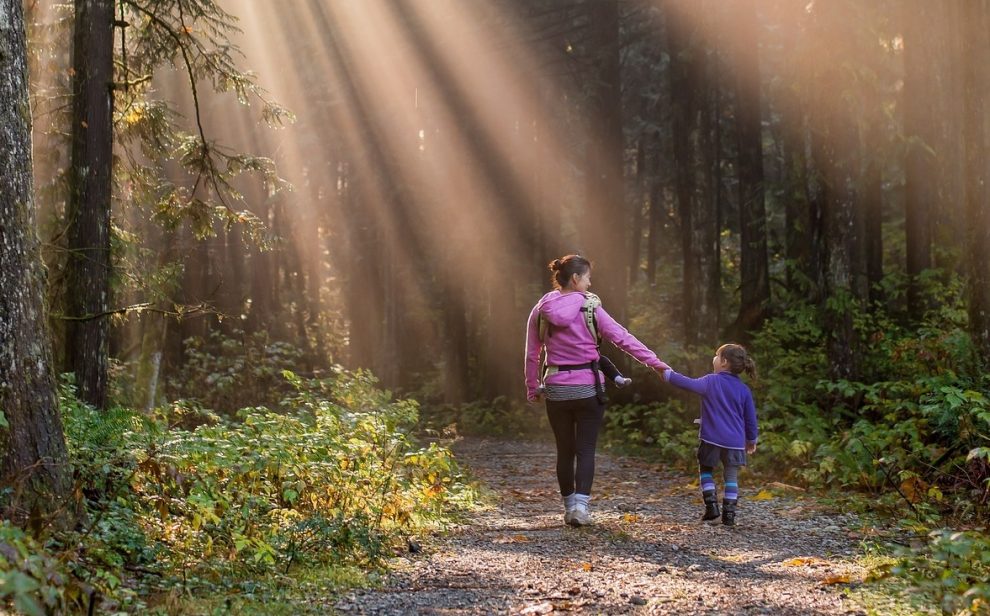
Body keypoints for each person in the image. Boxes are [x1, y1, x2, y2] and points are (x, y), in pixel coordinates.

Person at [525, 255, 669, 527]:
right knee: (586, 449)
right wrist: (656, 364)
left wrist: (533, 387)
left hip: (556, 388)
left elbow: (532, 354)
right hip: (589, 388)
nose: (590, 282)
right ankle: (581, 508)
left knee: (564, 450)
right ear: (576, 278)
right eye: (588, 277)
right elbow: (623, 339)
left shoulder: (541, 308)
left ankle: (569, 509)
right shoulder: (590, 307)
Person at [662, 344, 758, 526]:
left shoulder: (711, 381)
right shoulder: (744, 390)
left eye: (716, 356)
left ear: (724, 362)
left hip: (711, 438)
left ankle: (712, 507)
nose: (713, 359)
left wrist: (667, 374)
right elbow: (750, 419)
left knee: (706, 470)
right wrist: (751, 440)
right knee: (731, 477)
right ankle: (729, 515)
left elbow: (687, 383)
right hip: (735, 442)